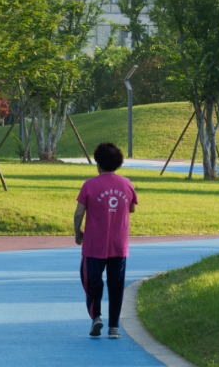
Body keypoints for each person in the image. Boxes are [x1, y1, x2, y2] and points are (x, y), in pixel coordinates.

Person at [74, 141, 137, 339]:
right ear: (118, 163)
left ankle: (96, 316)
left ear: (98, 163)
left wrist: (77, 231)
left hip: (94, 246)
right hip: (119, 246)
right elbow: (132, 208)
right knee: (116, 285)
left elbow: (79, 213)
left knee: (91, 282)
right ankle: (114, 328)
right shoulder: (127, 184)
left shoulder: (89, 185)